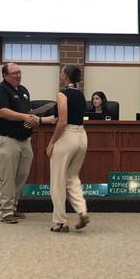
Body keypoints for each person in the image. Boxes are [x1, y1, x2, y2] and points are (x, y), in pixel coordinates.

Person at [0, 63, 40, 224]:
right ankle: (5, 212)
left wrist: (33, 119)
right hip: (5, 139)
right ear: (5, 75)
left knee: (21, 175)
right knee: (8, 177)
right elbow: (2, 112)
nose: (18, 75)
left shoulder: (24, 91)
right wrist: (25, 117)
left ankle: (14, 206)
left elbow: (26, 112)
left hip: (24, 139)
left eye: (19, 72)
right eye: (14, 73)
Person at [42, 65, 90, 232]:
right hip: (81, 137)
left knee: (57, 181)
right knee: (72, 177)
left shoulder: (62, 94)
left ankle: (61, 222)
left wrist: (51, 142)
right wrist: (40, 120)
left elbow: (62, 121)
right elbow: (58, 117)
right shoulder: (80, 95)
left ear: (65, 76)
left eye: (62, 72)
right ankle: (82, 211)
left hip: (66, 137)